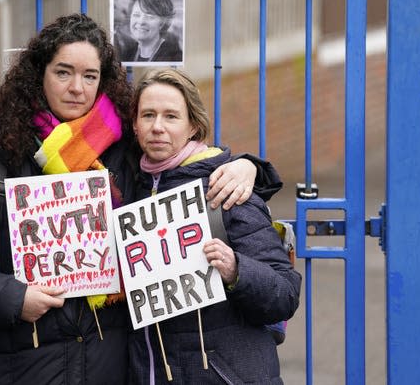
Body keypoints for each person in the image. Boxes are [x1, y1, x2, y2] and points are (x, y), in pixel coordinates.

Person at [0, 13, 278, 385]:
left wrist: (247, 168)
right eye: (63, 72)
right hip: (18, 360)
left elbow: (188, 164)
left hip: (106, 361)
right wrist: (14, 298)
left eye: (90, 76)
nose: (77, 88)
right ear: (39, 74)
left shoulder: (125, 144)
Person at [127, 68, 301, 384]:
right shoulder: (127, 192)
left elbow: (285, 294)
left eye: (171, 116)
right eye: (148, 115)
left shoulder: (224, 187)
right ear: (135, 124)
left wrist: (237, 271)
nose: (157, 127)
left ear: (194, 125)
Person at [116, 0, 183, 63]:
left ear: (162, 23)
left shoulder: (173, 56)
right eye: (136, 15)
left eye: (149, 16)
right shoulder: (127, 54)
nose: (141, 22)